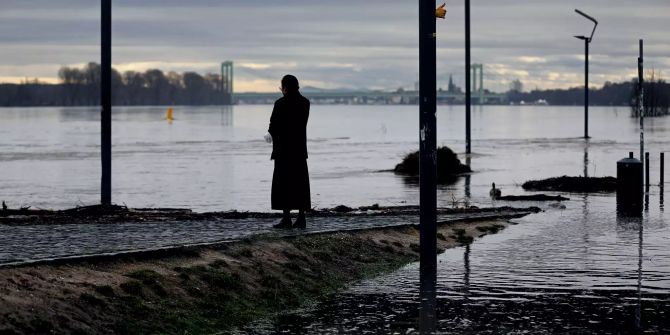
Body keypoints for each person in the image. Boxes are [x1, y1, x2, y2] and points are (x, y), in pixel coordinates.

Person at [266, 75, 311, 229]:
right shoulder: (305, 103)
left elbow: (274, 125)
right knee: (300, 183)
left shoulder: (280, 103)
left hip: (283, 150)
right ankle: (301, 217)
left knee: (283, 184)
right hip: (299, 150)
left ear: (284, 87)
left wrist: (270, 134)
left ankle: (286, 218)